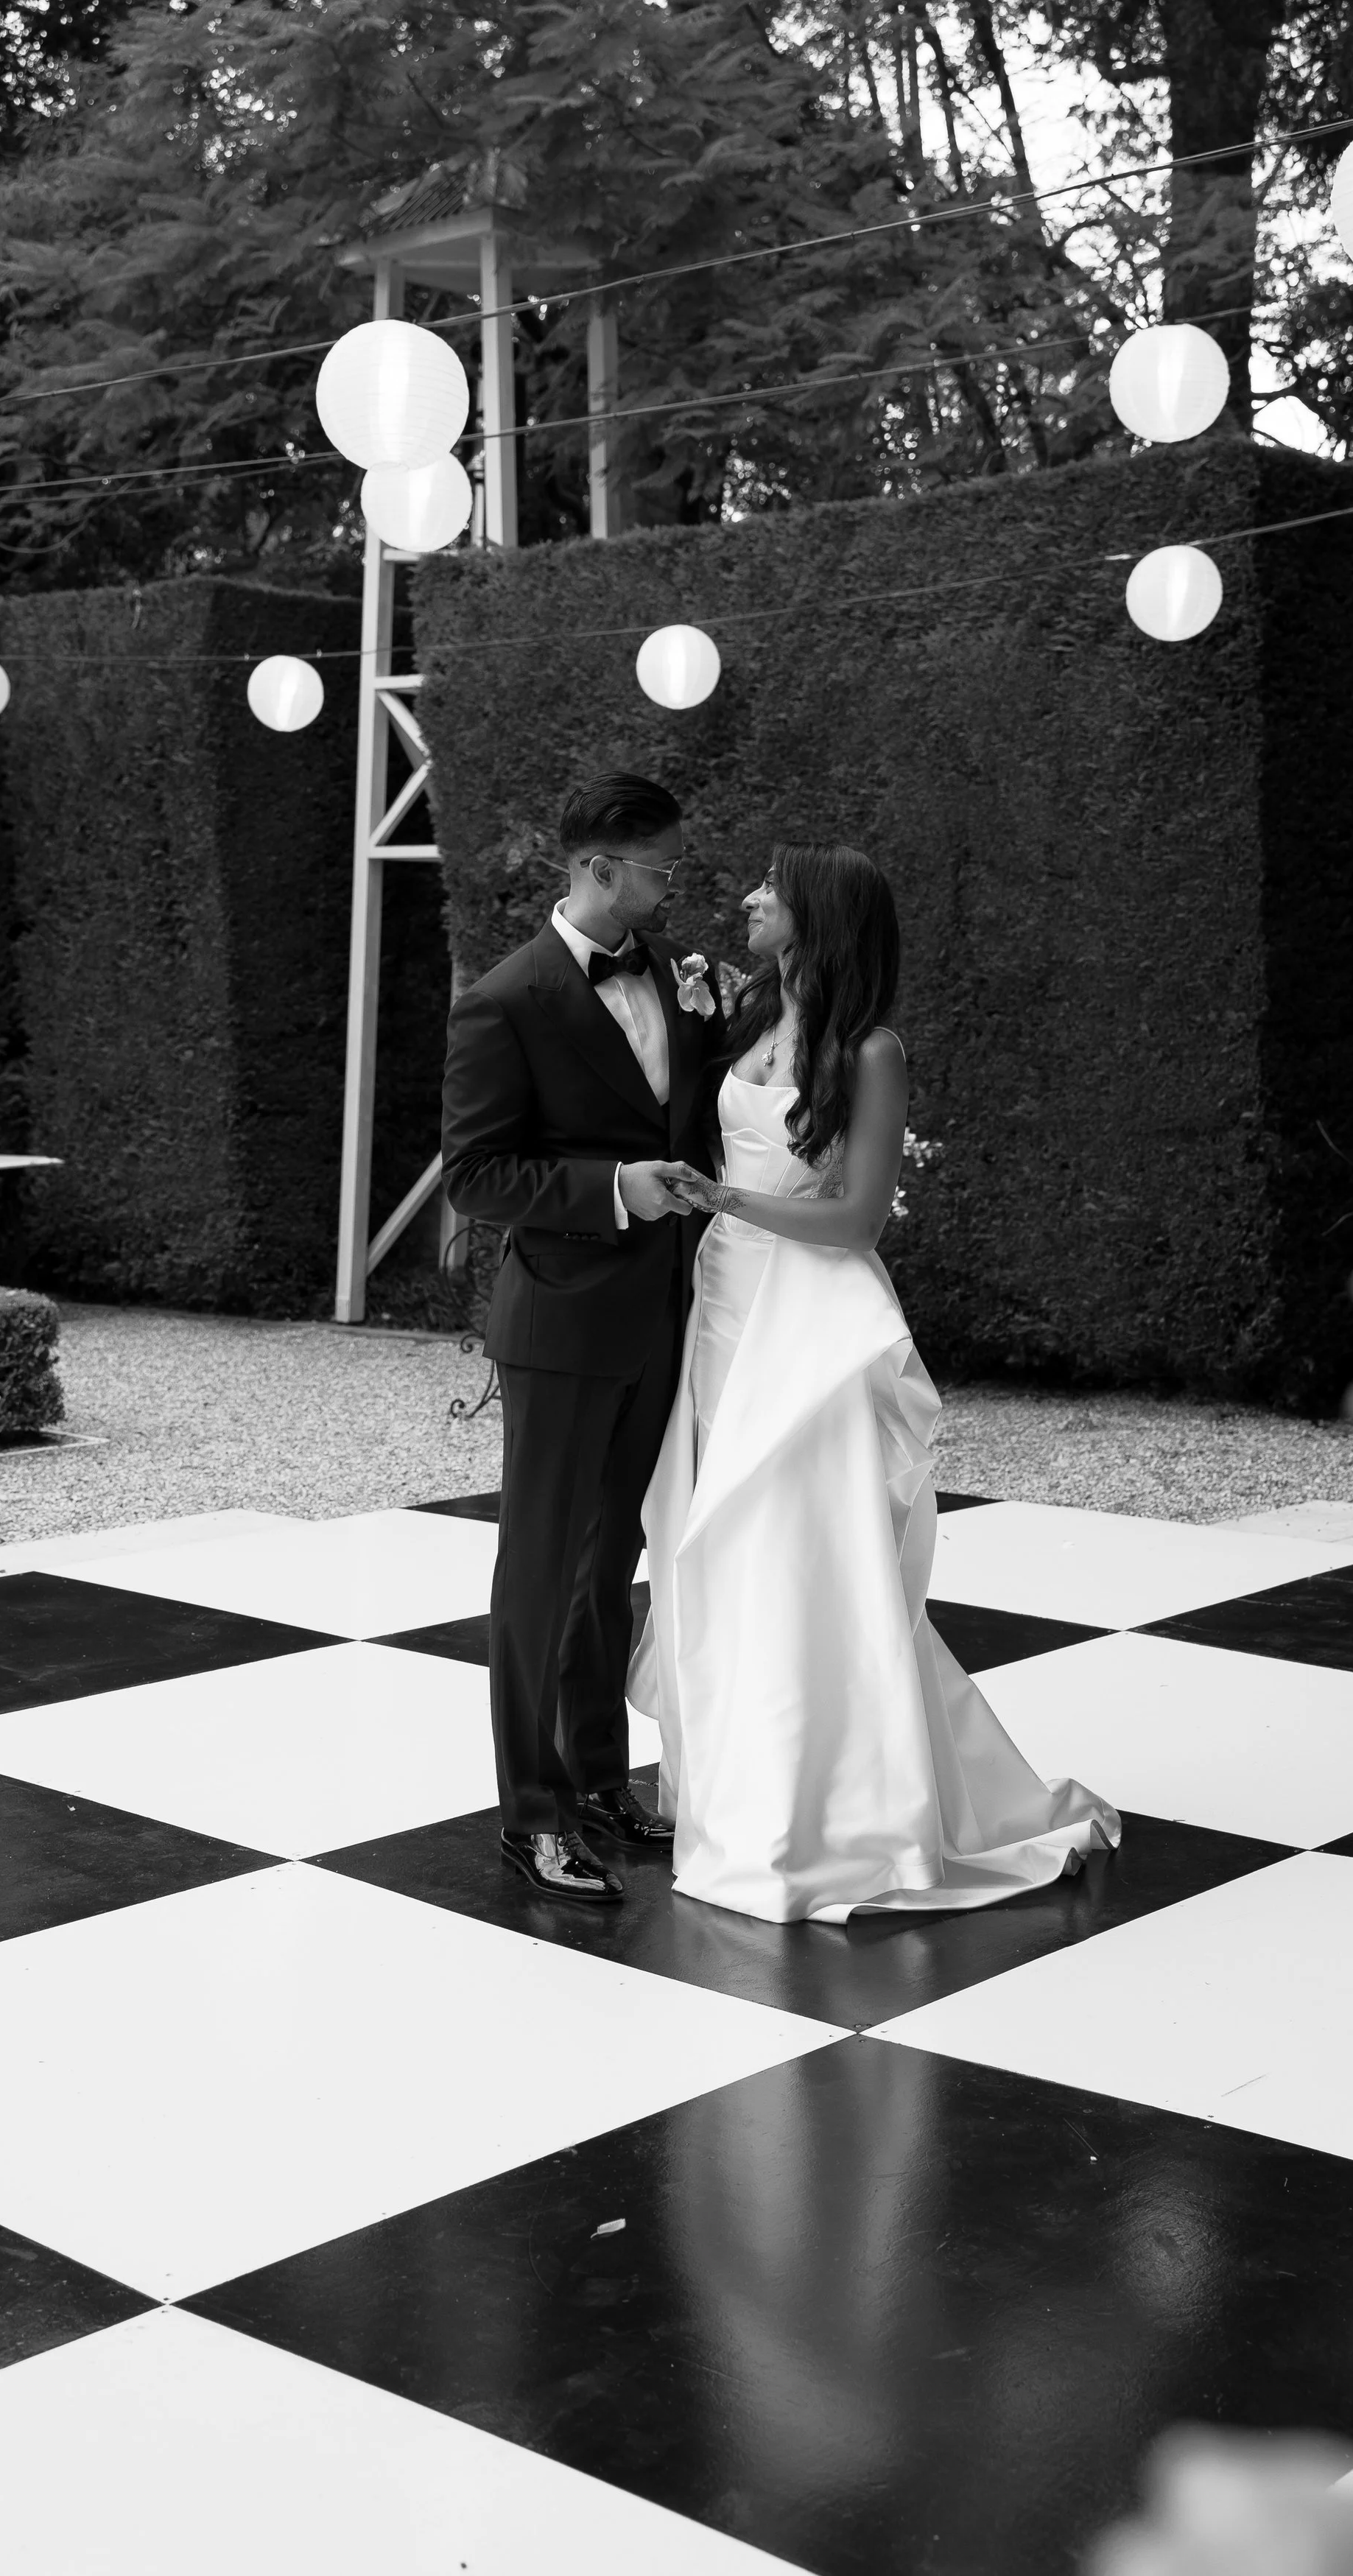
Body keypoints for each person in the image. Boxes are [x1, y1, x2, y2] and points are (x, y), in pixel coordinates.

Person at [629, 843, 1120, 1924]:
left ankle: (835, 1811)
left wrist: (729, 1199)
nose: (750, 900)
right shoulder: (747, 1020)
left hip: (811, 1314)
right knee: (719, 1541)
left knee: (811, 1554)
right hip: (723, 1306)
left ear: (813, 920)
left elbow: (856, 1216)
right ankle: (739, 1788)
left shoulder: (872, 1050)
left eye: (771, 890)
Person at [440, 772, 723, 1904]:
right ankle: (532, 1815)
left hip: (662, 1312)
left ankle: (601, 1782)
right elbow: (475, 1173)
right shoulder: (507, 1000)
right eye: (659, 868)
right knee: (540, 1569)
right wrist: (617, 1188)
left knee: (612, 1567)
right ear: (599, 868)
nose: (672, 885)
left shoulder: (675, 972)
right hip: (559, 1319)